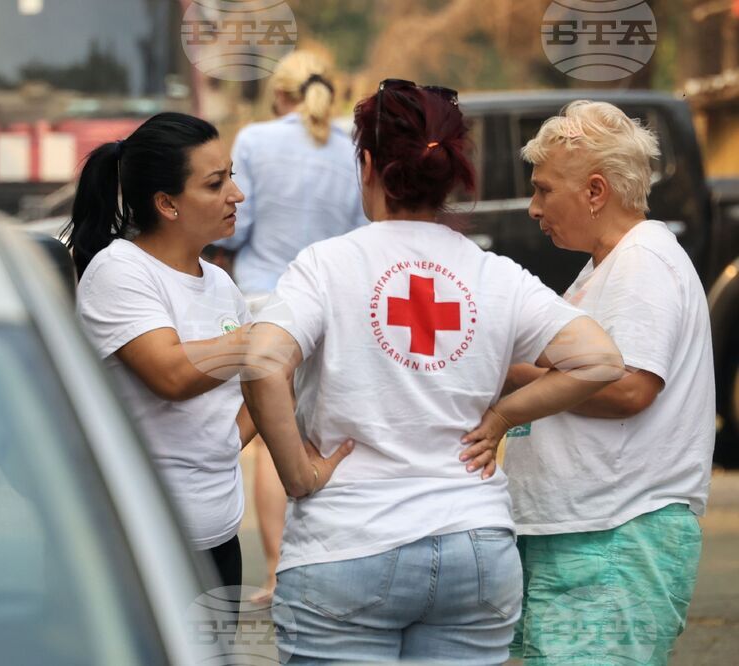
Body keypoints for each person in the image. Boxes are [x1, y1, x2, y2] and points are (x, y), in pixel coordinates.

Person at [240, 81, 625, 665]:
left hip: (346, 545)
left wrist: (298, 475)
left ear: (366, 163)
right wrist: (501, 416)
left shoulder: (326, 266)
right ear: (451, 174)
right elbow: (600, 359)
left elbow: (264, 361)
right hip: (476, 550)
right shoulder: (494, 273)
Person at [504, 101, 716, 665]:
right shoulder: (611, 263)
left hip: (614, 537)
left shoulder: (643, 262)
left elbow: (628, 389)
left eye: (545, 190)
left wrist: (508, 373)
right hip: (592, 533)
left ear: (595, 191)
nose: (533, 207)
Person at [66, 112, 257, 594]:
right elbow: (171, 373)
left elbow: (252, 389)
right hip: (145, 547)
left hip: (219, 540)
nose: (236, 194)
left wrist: (221, 444)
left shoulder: (220, 283)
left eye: (231, 176)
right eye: (216, 184)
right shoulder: (120, 272)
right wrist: (263, 338)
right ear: (167, 204)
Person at [211, 50, 368, 602]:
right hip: (331, 305)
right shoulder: (351, 144)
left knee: (265, 438)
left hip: (264, 302)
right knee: (321, 433)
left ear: (280, 94)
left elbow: (237, 226)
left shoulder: (254, 141)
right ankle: (328, 564)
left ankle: (279, 570)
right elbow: (359, 227)